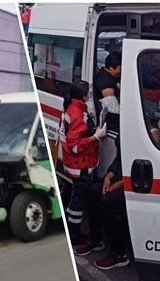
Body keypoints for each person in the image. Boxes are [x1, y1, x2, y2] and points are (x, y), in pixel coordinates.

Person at [60, 80, 107, 245]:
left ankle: (73, 230)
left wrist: (93, 131)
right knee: (77, 202)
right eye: (89, 92)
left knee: (76, 198)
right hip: (79, 165)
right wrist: (95, 137)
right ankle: (74, 235)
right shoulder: (77, 113)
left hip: (74, 164)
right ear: (83, 96)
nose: (90, 95)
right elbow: (74, 146)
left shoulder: (74, 107)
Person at [74, 136, 131, 270]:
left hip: (135, 182)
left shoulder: (153, 133)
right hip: (119, 179)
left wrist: (116, 185)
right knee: (93, 192)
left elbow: (141, 167)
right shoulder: (126, 126)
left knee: (108, 201)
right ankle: (96, 240)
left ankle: (119, 254)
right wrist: (109, 176)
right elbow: (119, 158)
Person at [94, 51, 122, 132]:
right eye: (119, 68)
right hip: (111, 121)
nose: (121, 71)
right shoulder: (106, 82)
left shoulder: (111, 75)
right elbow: (113, 108)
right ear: (111, 67)